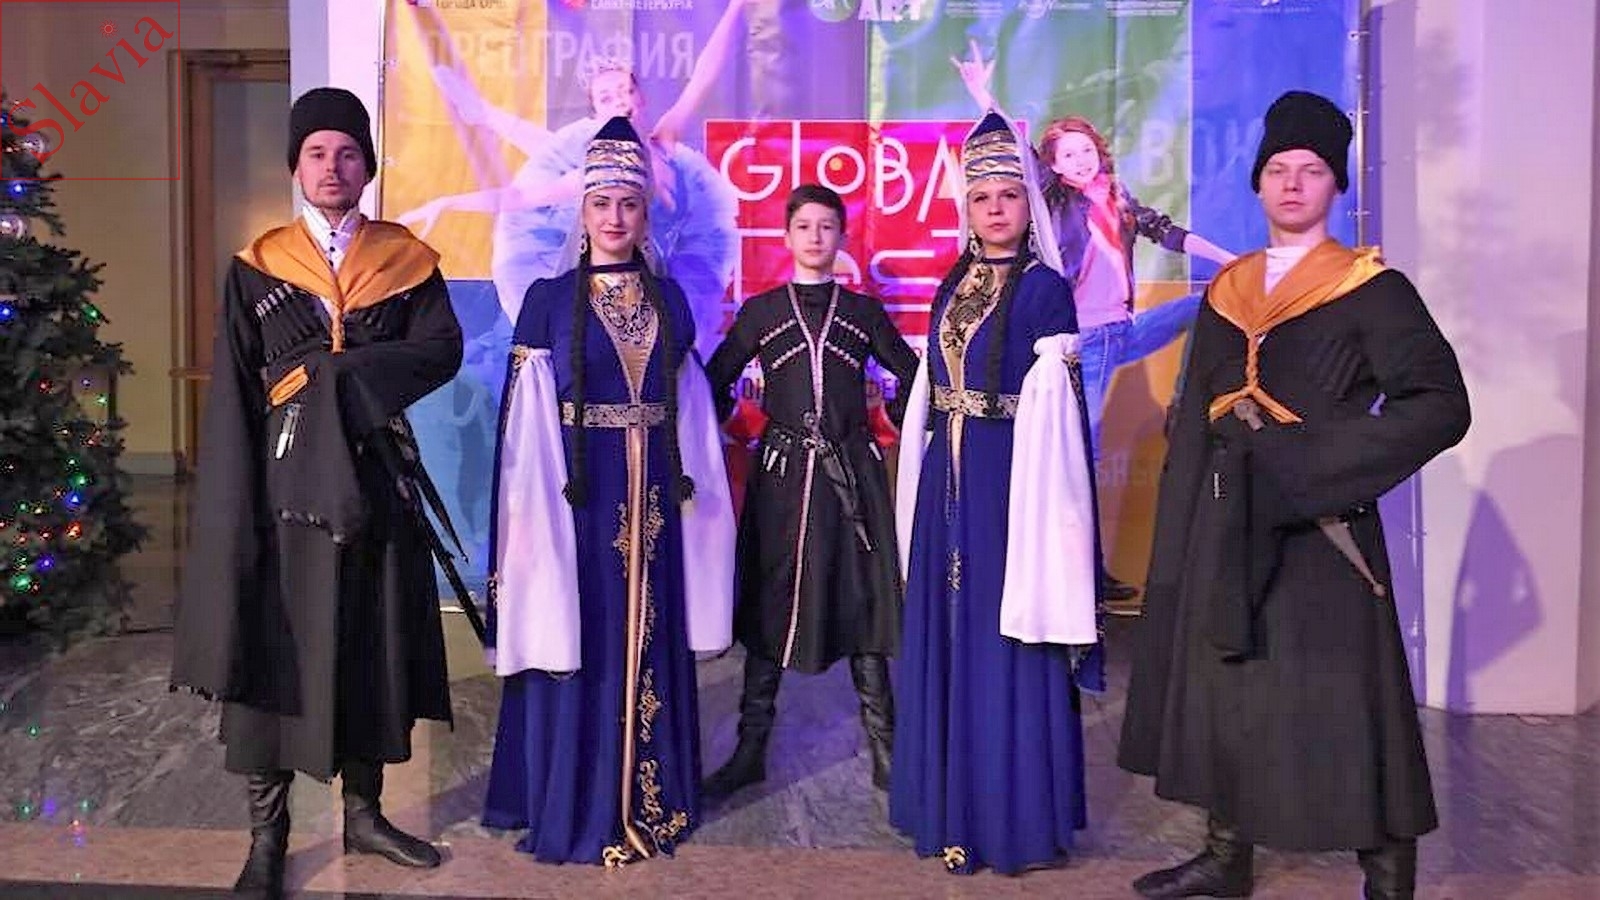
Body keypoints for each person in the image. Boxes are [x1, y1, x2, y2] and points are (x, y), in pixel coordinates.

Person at [1117, 91, 1471, 900]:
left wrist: (1318, 460)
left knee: (1351, 698)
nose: (1292, 183)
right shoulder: (1229, 289)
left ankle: (1387, 878)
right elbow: (1194, 414)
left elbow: (1439, 405)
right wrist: (1185, 530)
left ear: (1335, 184)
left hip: (1321, 526)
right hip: (1227, 520)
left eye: (1311, 170)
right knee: (1229, 684)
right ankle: (1226, 856)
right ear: (1258, 181)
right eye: (1278, 168)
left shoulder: (1371, 288)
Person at [169, 87, 464, 896]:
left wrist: (339, 377)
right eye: (317, 153)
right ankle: (268, 838)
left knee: (371, 644)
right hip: (282, 491)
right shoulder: (256, 267)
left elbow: (440, 350)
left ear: (368, 166)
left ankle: (364, 815)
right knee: (276, 653)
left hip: (374, 487)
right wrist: (237, 494)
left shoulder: (407, 262)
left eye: (347, 153)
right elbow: (238, 387)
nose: (333, 167)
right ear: (296, 168)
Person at [481, 116, 736, 866]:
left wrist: (701, 516)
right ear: (582, 211)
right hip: (576, 500)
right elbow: (525, 424)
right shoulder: (547, 301)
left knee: (649, 633)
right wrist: (529, 521)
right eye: (602, 204)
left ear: (645, 213)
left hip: (656, 499)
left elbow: (691, 416)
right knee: (578, 633)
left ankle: (649, 797)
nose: (615, 217)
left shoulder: (671, 302)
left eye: (629, 204)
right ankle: (577, 797)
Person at [889, 111, 1101, 875]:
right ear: (967, 208)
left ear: (1027, 203)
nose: (996, 209)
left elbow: (1057, 413)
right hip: (948, 486)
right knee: (950, 633)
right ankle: (949, 806)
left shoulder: (1045, 290)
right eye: (982, 198)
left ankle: (1009, 819)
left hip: (1012, 485)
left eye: (1009, 195)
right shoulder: (955, 281)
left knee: (1004, 634)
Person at [953, 41, 1237, 603]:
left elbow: (1167, 232)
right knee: (1079, 456)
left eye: (1086, 150)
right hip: (1085, 339)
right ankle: (1080, 572)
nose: (1080, 160)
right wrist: (986, 98)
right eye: (1068, 155)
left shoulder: (1118, 197)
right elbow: (1022, 157)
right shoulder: (1056, 201)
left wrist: (1230, 261)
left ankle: (1185, 404)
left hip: (1121, 331)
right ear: (1055, 166)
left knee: (1208, 301)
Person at [700, 184, 920, 798]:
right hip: (783, 477)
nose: (816, 237)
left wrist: (892, 417)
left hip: (852, 475)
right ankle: (750, 750)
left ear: (842, 236)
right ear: (787, 236)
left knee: (862, 597)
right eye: (804, 227)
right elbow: (712, 380)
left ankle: (886, 749)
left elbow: (914, 375)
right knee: (771, 596)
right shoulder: (763, 312)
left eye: (827, 227)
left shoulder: (863, 313)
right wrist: (715, 436)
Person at [395, 0, 748, 357]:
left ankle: (484, 114)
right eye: (607, 98)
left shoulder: (663, 142)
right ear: (595, 114)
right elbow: (518, 198)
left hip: (660, 289)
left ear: (641, 97)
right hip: (609, 290)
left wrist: (737, 7)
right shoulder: (591, 173)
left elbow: (705, 74)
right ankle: (484, 113)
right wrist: (448, 202)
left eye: (626, 91)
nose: (620, 101)